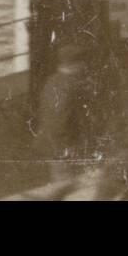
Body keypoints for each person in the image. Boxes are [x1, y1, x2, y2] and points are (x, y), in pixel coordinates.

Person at [33, 44, 97, 189]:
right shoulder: (73, 85)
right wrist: (69, 146)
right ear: (77, 64)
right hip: (63, 145)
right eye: (82, 62)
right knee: (67, 185)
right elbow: (63, 119)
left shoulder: (51, 81)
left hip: (49, 142)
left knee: (62, 182)